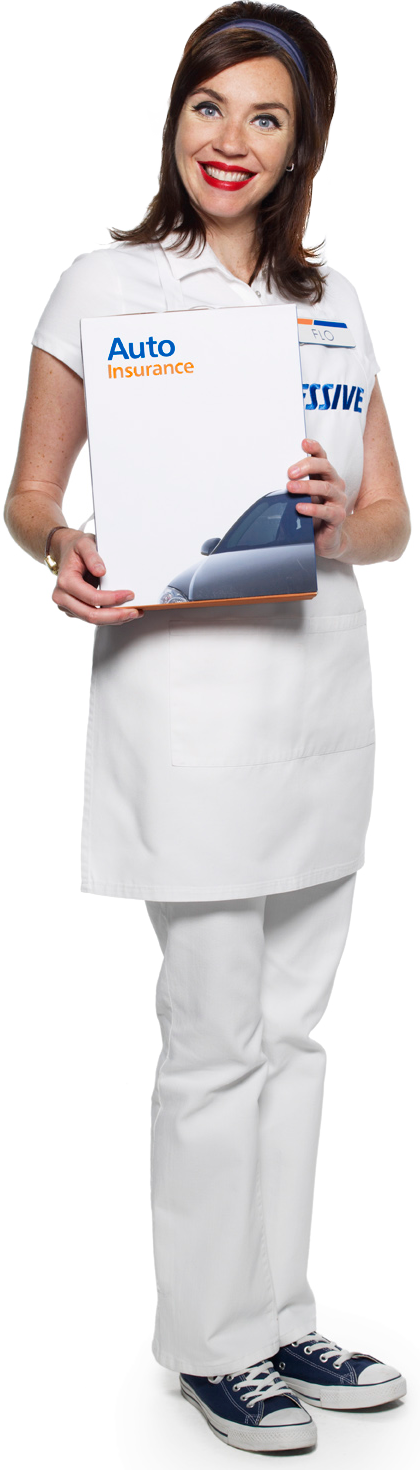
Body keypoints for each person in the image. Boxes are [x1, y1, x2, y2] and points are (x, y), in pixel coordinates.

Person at [4, 2, 411, 1455]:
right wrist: (64, 547)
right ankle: (208, 1343)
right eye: (208, 106)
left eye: (266, 117)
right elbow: (30, 495)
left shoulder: (333, 298)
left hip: (319, 702)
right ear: (173, 118)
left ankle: (280, 1313)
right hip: (184, 712)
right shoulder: (101, 285)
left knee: (294, 1034)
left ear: (304, 146)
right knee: (213, 1032)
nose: (230, 141)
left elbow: (392, 518)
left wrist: (335, 518)